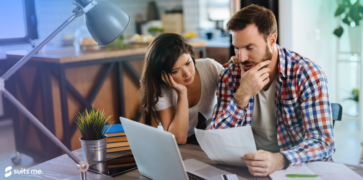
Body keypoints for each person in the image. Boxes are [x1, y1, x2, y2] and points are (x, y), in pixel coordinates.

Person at [210, 4, 335, 176]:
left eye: (249, 47)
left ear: (271, 40)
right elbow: (215, 141)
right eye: (237, 48)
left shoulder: (307, 74)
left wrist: (280, 160)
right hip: (249, 169)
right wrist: (242, 96)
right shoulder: (230, 75)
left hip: (297, 169)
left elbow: (323, 142)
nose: (242, 57)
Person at [140, 33, 223, 144]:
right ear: (163, 74)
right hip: (174, 147)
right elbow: (177, 139)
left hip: (208, 142)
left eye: (188, 63)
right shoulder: (160, 89)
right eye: (175, 71)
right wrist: (182, 93)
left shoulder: (210, 67)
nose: (187, 73)